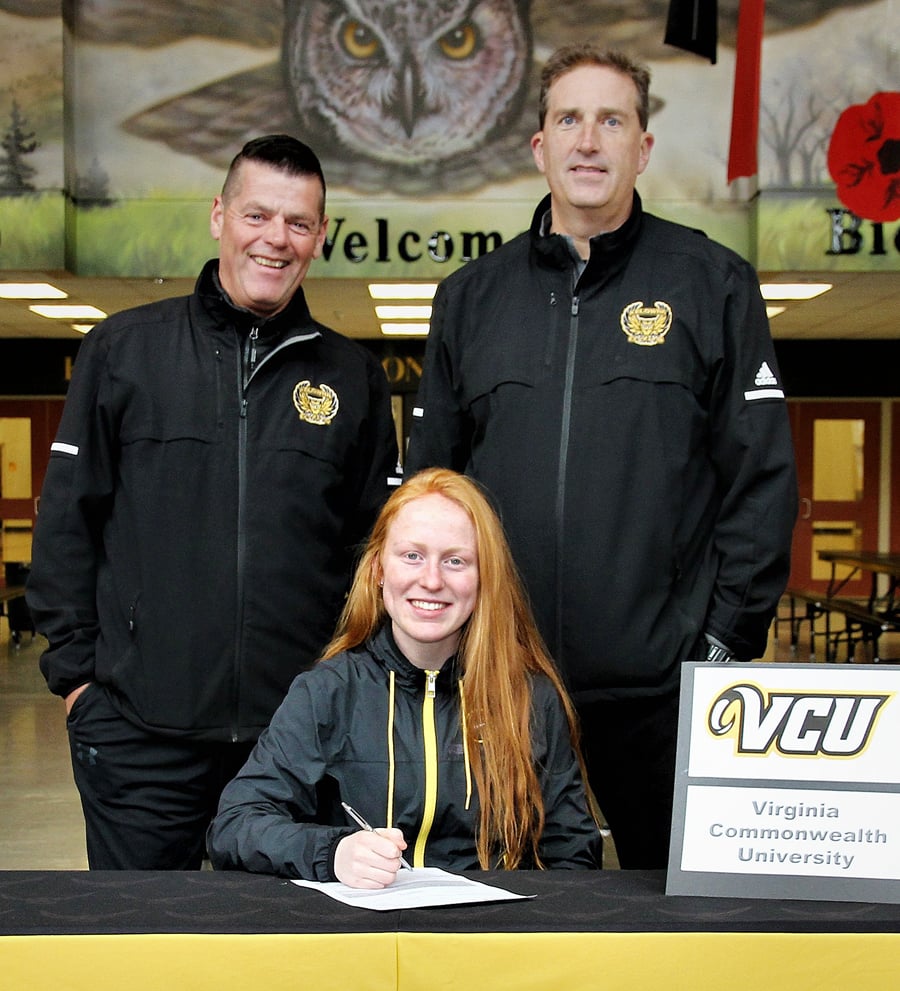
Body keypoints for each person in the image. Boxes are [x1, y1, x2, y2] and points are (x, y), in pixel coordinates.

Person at [404, 45, 798, 869]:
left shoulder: (712, 284)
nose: (590, 140)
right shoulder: (471, 298)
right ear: (540, 146)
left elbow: (760, 482)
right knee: (506, 912)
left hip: (662, 694)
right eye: (569, 120)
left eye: (612, 120)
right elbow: (431, 491)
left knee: (676, 921)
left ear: (642, 147)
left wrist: (718, 648)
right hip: (504, 687)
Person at [26, 134, 400, 870]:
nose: (276, 238)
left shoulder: (354, 377)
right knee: (145, 955)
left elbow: (373, 555)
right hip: (139, 735)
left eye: (298, 222)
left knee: (284, 961)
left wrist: (349, 699)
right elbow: (68, 522)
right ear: (219, 216)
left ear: (320, 237)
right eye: (257, 215)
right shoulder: (124, 350)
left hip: (295, 743)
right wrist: (77, 685)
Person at [207, 468, 602, 884]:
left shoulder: (529, 695)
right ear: (378, 569)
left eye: (455, 561)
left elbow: (573, 854)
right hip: (362, 937)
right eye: (412, 556)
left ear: (484, 577)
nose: (430, 580)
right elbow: (235, 825)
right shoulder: (327, 692)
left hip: (488, 937)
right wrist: (333, 853)